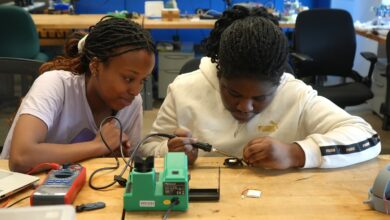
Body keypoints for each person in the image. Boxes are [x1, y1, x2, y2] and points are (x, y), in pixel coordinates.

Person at [140, 6, 381, 169]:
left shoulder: (294, 94)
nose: (245, 107)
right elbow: (146, 149)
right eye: (233, 93)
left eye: (260, 97)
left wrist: (296, 153)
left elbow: (368, 138)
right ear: (218, 72)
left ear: (279, 81)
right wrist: (169, 152)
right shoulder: (184, 89)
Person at [1, 16, 156, 173]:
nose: (135, 90)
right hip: (19, 190)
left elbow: (127, 166)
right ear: (95, 67)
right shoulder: (54, 84)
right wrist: (98, 146)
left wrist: (114, 154)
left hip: (79, 190)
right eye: (128, 78)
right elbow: (21, 158)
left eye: (142, 80)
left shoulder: (133, 103)